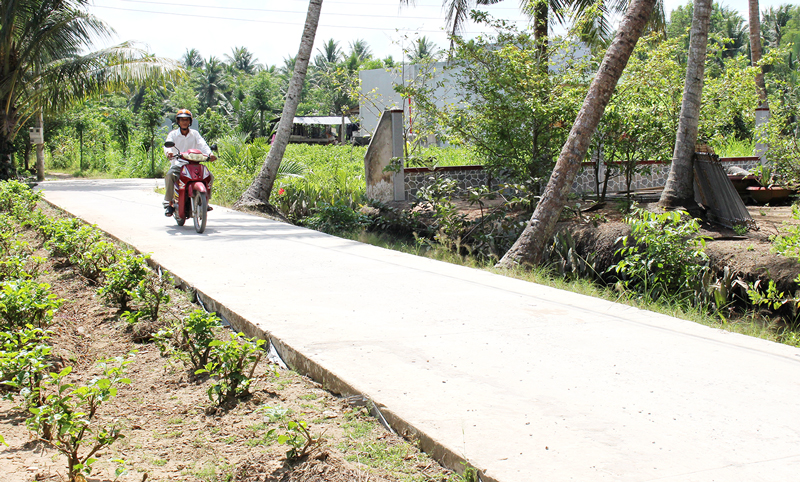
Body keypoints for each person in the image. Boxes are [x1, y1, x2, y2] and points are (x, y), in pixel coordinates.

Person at [162, 109, 216, 216]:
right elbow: (167, 146)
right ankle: (169, 203)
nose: (184, 122)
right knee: (170, 175)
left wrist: (210, 154)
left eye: (186, 120)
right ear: (178, 121)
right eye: (182, 120)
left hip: (194, 164)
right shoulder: (173, 134)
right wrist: (169, 152)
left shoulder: (195, 134)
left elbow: (202, 144)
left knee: (210, 176)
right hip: (179, 164)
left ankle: (205, 201)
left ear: (190, 121)